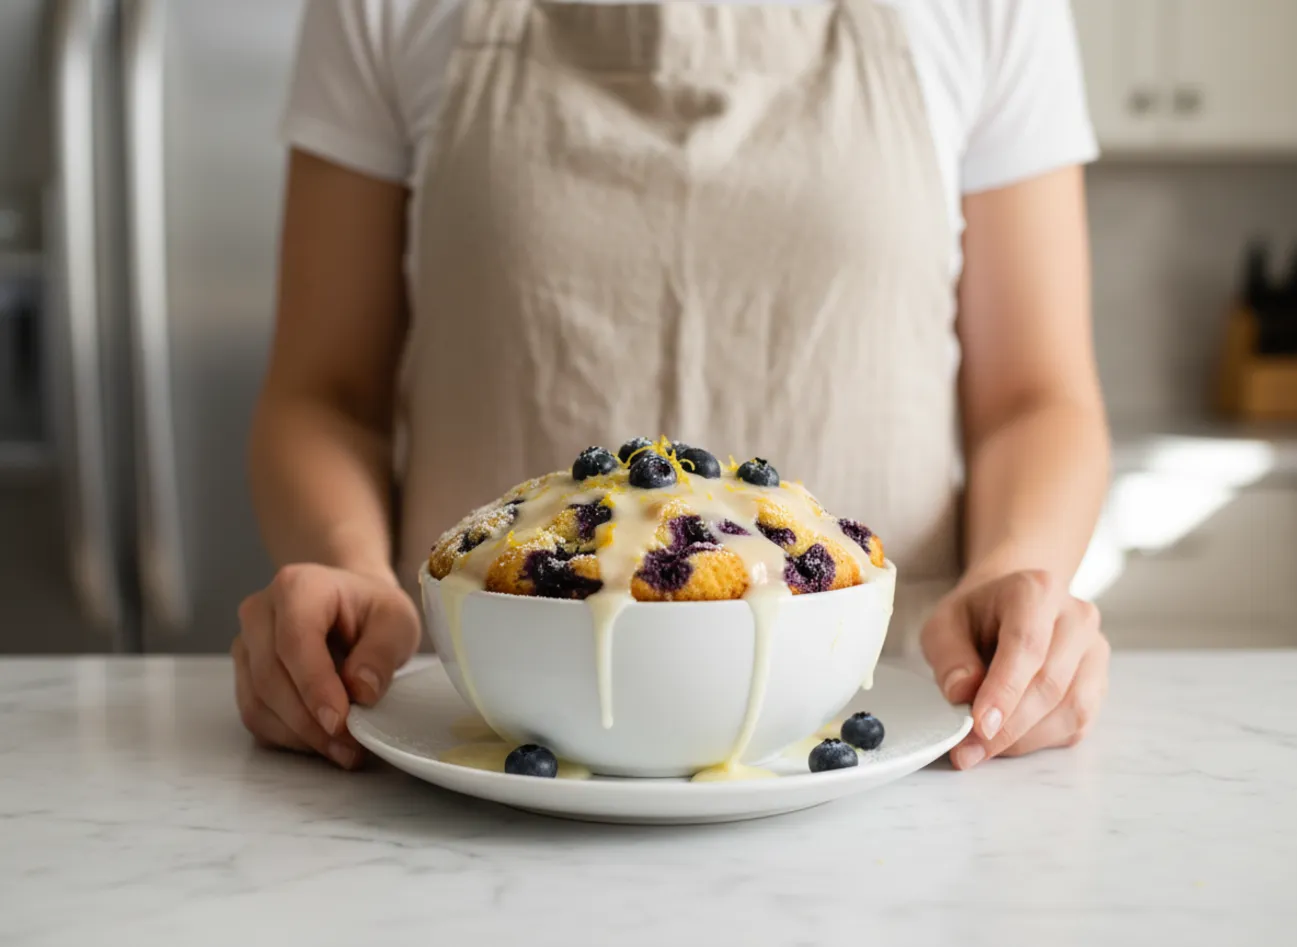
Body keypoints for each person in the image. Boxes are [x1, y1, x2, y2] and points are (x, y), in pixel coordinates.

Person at [233, 0, 1111, 773]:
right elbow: (326, 394)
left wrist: (1012, 571)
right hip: (483, 748)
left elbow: (1033, 399)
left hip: (885, 738)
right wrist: (349, 568)